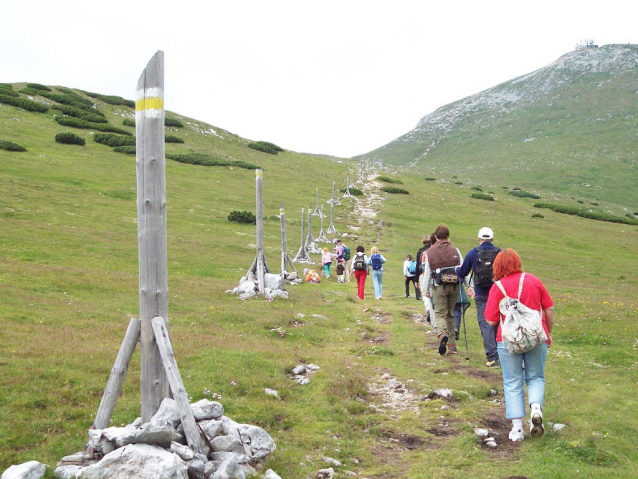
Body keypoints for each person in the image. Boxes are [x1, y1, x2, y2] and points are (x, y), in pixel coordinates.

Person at [484, 248, 554, 442]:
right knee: (536, 377)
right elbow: (549, 308)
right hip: (536, 337)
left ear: (497, 266)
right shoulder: (533, 280)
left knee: (512, 381)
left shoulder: (497, 287)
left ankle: (517, 430)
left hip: (508, 341)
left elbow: (490, 320)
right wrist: (547, 333)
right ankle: (536, 409)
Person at [456, 227, 502, 367]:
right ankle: (501, 355)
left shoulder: (473, 253)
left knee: (485, 323)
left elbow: (462, 273)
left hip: (481, 293)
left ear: (479, 238)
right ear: (492, 239)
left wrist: (457, 269)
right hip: (498, 293)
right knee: (498, 323)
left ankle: (492, 357)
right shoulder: (499, 253)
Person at [422, 225, 468, 355]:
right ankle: (452, 344)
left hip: (439, 286)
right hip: (455, 286)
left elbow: (427, 272)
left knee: (440, 313)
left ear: (436, 237)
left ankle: (442, 334)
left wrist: (425, 289)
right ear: (448, 236)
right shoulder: (455, 250)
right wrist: (468, 285)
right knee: (450, 313)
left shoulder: (430, 252)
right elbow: (463, 268)